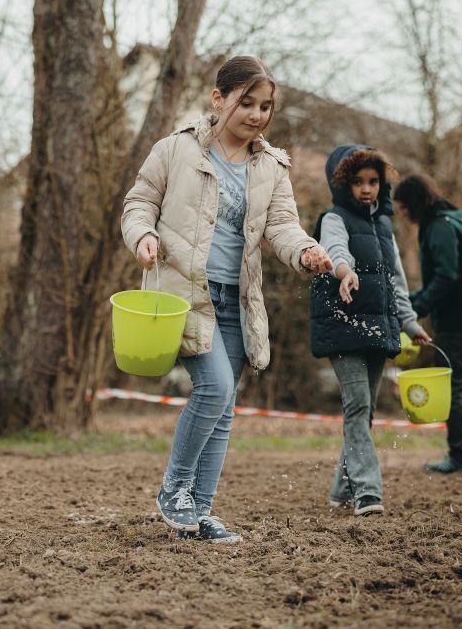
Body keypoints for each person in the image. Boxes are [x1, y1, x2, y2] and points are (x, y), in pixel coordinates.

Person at [121, 56, 332, 544]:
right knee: (214, 389)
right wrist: (143, 235)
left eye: (266, 107)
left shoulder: (271, 167)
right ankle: (174, 489)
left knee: (225, 405)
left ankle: (199, 513)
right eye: (247, 103)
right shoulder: (176, 149)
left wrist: (306, 251)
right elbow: (139, 202)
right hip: (185, 294)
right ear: (218, 99)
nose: (257, 115)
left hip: (237, 301)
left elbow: (282, 225)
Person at [310, 145, 432, 516]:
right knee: (358, 404)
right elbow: (335, 250)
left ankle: (341, 489)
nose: (366, 189)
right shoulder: (333, 219)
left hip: (378, 328)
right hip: (342, 325)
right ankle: (367, 491)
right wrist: (345, 272)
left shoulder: (384, 226)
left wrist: (409, 323)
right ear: (343, 184)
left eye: (373, 182)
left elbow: (396, 280)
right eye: (358, 182)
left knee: (364, 411)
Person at [393, 174, 462, 473]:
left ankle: (460, 456)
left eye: (403, 207)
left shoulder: (439, 227)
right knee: (457, 379)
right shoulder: (442, 222)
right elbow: (440, 280)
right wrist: (408, 302)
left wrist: (414, 310)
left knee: (452, 384)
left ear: (415, 202)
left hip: (461, 316)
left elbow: (446, 278)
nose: (402, 213)